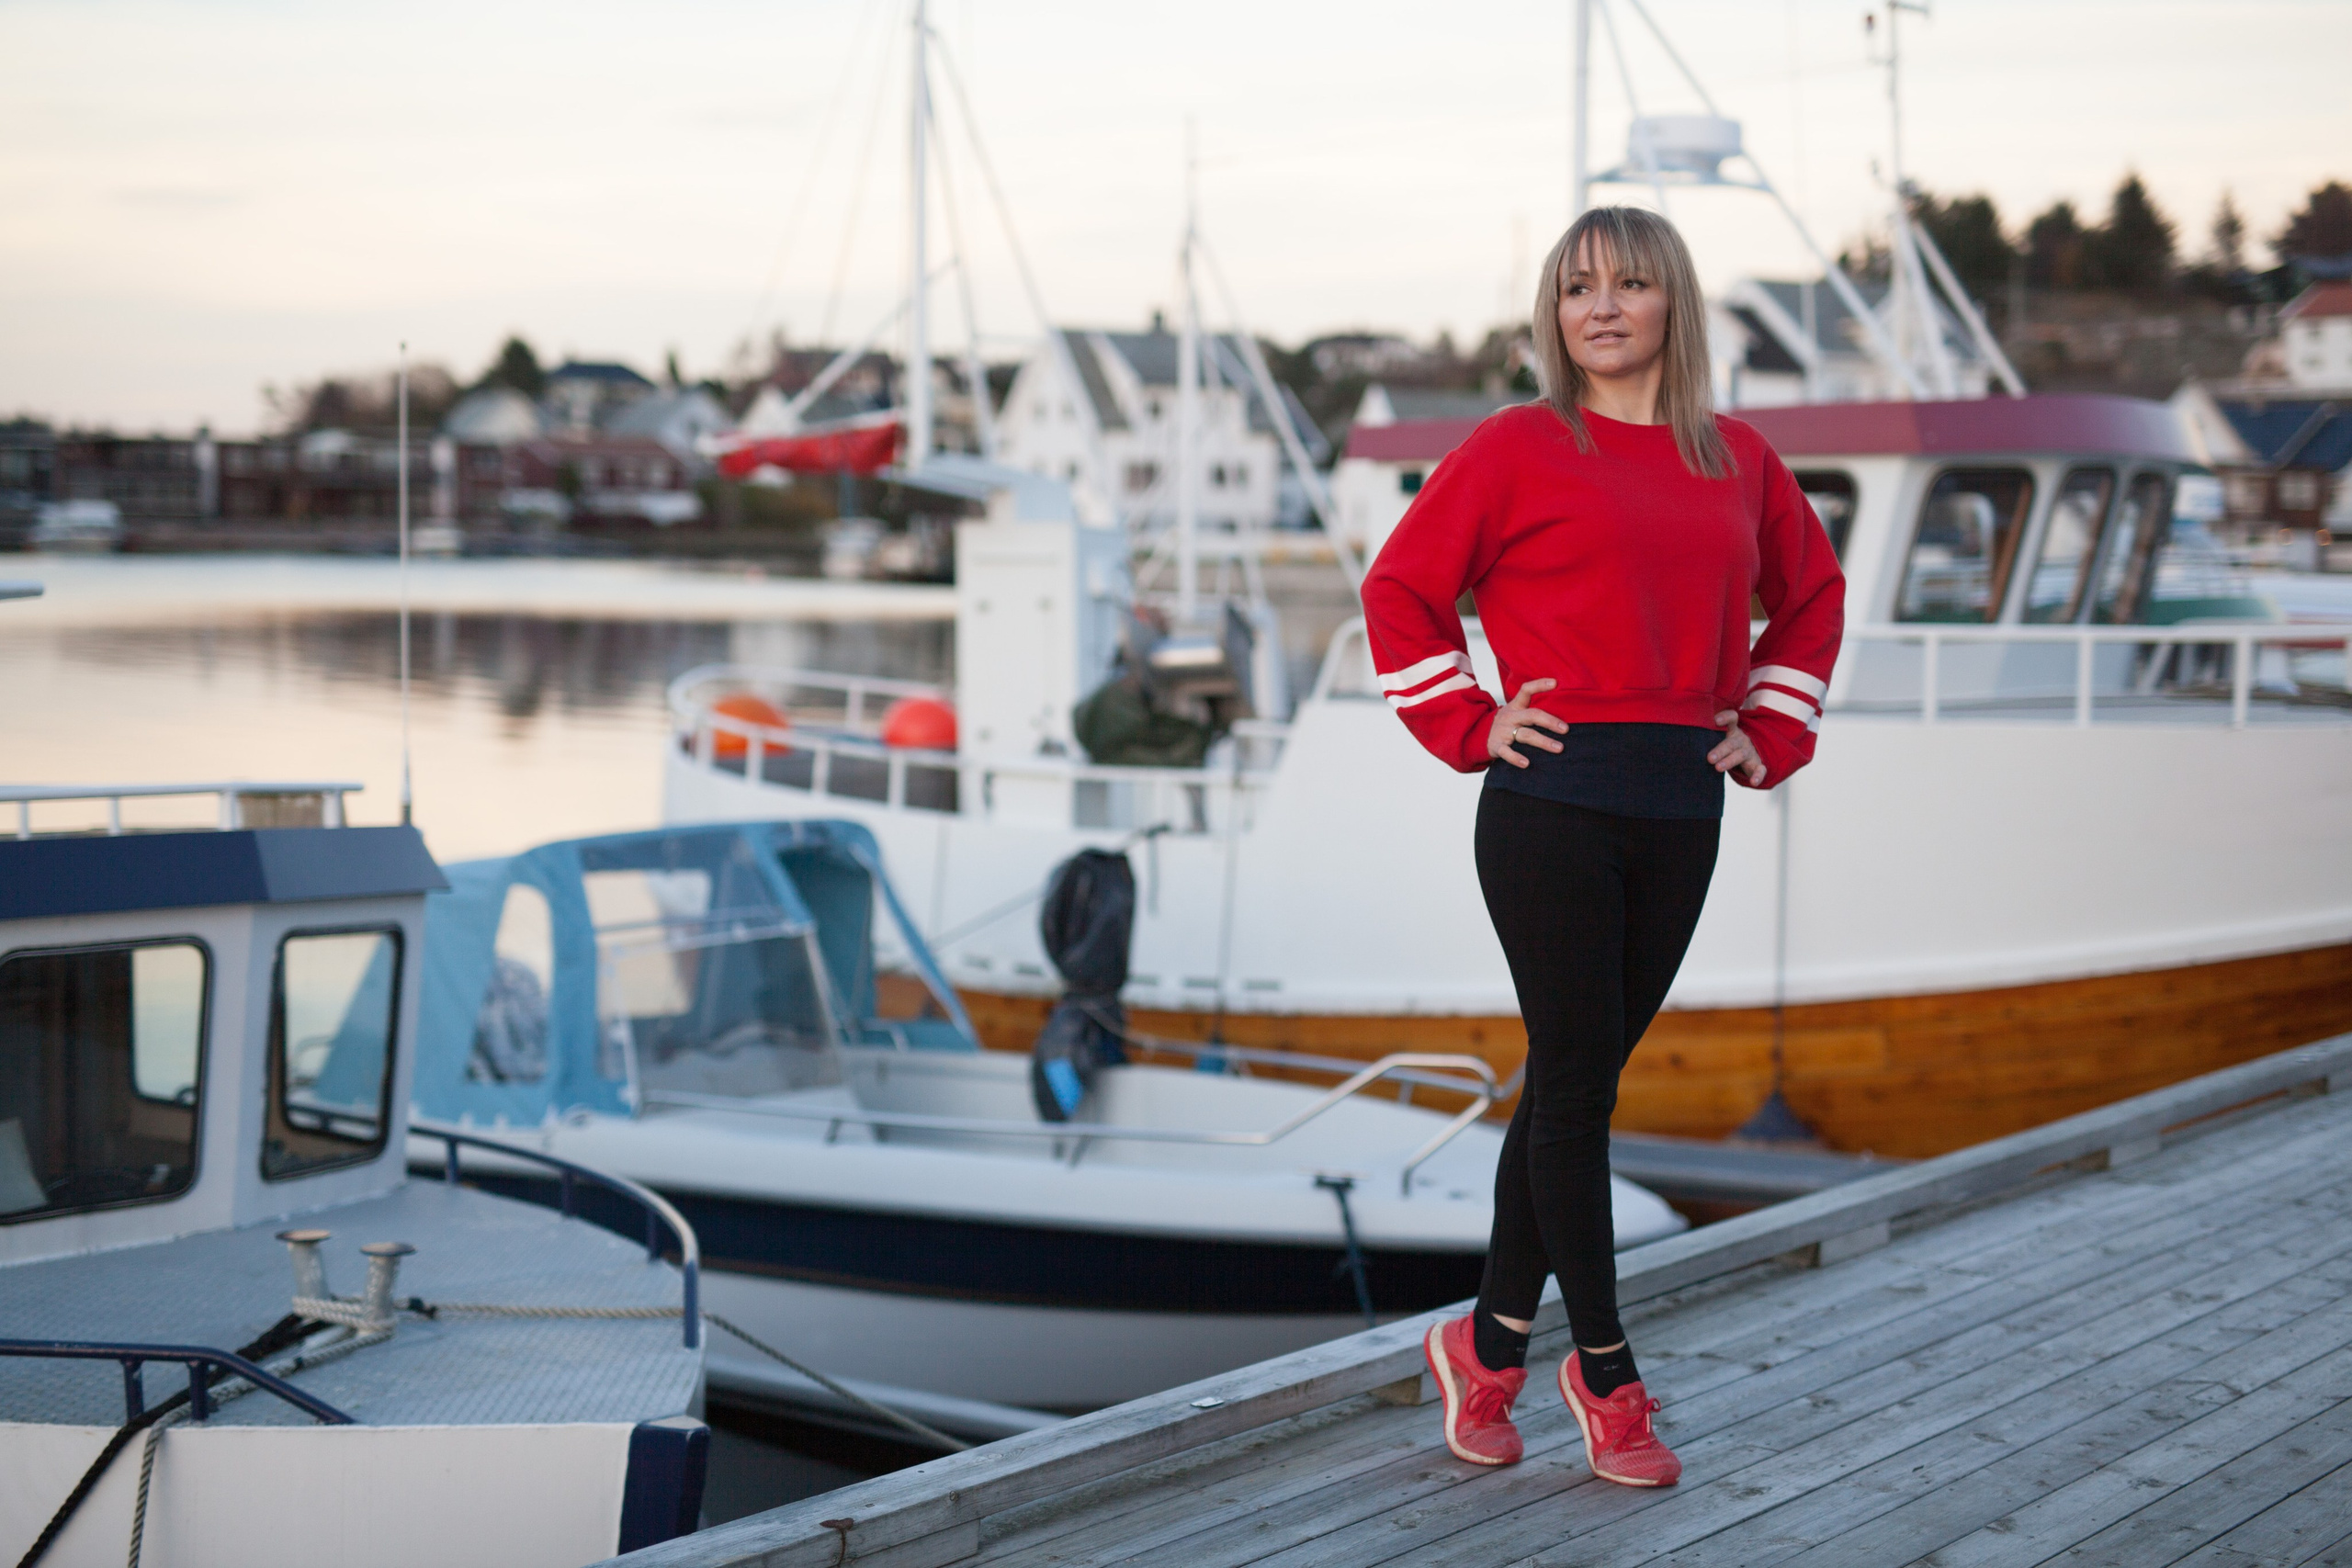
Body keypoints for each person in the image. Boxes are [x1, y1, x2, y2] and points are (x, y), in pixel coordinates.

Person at [1360, 206, 1844, 1488]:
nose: (1604, 306)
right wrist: (1470, 719)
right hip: (1552, 797)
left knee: (1570, 1083)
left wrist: (1768, 726)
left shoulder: (1737, 457)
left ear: (1673, 304)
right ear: (1555, 313)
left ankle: (1487, 1345)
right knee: (1582, 1088)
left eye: (1632, 283)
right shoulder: (1517, 447)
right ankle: (1611, 1373)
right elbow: (1399, 589)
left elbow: (1812, 597)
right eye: (1578, 288)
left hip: (1686, 802)